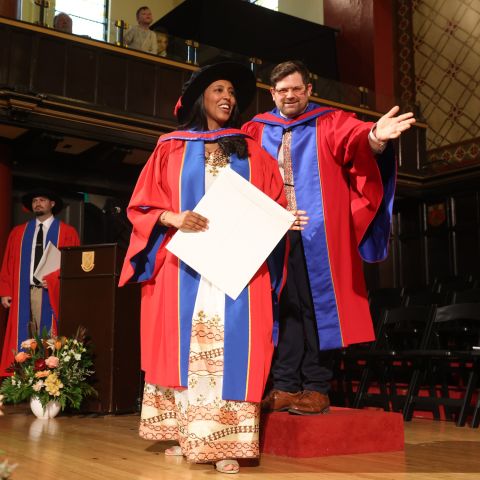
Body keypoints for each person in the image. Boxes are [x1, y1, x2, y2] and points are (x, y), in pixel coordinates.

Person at [119, 62, 301, 474]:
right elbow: (142, 206)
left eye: (233, 93)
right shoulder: (170, 146)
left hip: (238, 269)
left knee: (233, 352)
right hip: (186, 268)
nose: (228, 98)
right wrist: (172, 218)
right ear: (201, 97)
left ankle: (226, 445)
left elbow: (272, 203)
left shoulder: (251, 149)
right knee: (189, 352)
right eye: (219, 90)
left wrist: (284, 219)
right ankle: (189, 434)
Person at [242, 60, 416, 415]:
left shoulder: (329, 122)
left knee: (314, 309)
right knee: (282, 310)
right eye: (282, 90)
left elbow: (356, 138)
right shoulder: (256, 130)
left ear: (309, 90)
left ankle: (317, 387)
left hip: (316, 237)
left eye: (296, 89)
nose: (289, 95)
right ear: (272, 93)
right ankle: (286, 385)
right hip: (270, 237)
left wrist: (374, 137)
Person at [0, 189, 80, 376]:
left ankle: (48, 379)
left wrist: (56, 281)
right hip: (23, 292)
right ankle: (21, 380)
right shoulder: (19, 233)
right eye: (35, 200)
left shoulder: (66, 232)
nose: (38, 203)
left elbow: (73, 265)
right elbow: (8, 263)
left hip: (50, 293)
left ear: (52, 204)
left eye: (42, 200)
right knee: (25, 337)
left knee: (47, 337)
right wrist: (5, 290)